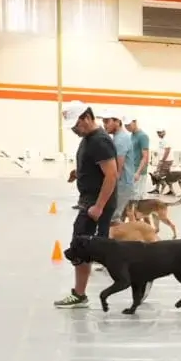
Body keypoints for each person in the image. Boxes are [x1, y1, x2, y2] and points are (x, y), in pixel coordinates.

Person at [54, 103, 118, 309]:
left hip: (96, 206)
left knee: (82, 247)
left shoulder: (100, 141)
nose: (74, 130)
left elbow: (111, 175)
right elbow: (95, 167)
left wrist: (99, 206)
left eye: (76, 125)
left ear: (87, 117)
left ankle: (80, 294)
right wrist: (79, 173)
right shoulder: (89, 139)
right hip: (89, 202)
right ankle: (80, 293)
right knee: (84, 247)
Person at [123, 113, 150, 211]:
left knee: (137, 199)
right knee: (132, 198)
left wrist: (138, 172)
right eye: (125, 125)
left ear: (135, 122)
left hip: (139, 172)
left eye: (129, 125)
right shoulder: (132, 135)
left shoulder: (142, 136)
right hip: (131, 170)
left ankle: (138, 218)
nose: (127, 127)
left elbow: (145, 157)